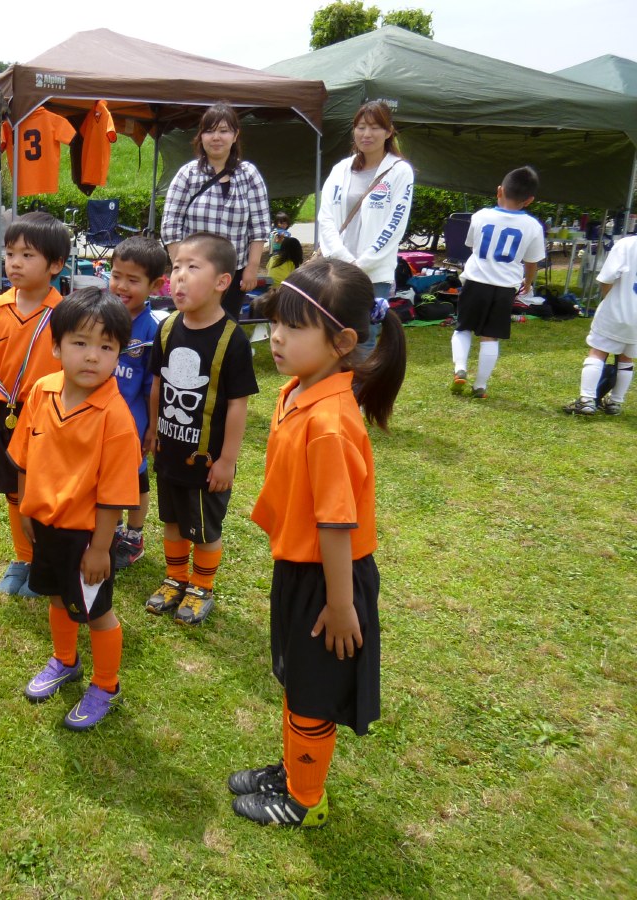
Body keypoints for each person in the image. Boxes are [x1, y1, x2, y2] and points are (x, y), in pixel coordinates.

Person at [231, 258, 406, 828]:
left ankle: (305, 800)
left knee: (313, 693)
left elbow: (336, 525)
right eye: (275, 322)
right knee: (297, 678)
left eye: (295, 326)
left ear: (343, 342)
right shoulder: (297, 391)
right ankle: (292, 770)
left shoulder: (328, 422)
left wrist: (339, 604)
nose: (277, 337)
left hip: (330, 579)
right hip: (301, 566)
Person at [7, 288, 141, 730]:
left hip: (87, 537)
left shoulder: (115, 417)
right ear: (56, 346)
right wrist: (26, 507)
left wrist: (101, 548)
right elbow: (25, 455)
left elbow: (113, 493)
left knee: (96, 613)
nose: (92, 356)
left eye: (107, 347)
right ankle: (65, 660)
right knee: (55, 596)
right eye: (80, 343)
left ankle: (106, 684)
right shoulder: (41, 391)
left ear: (119, 353)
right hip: (45, 525)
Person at [144, 232, 258, 625]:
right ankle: (174, 578)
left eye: (192, 267)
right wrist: (153, 430)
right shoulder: (166, 328)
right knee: (173, 521)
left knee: (205, 529)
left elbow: (239, 404)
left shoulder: (232, 340)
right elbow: (157, 383)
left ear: (222, 281)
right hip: (169, 450)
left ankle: (201, 586)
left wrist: (227, 460)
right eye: (176, 266)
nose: (179, 276)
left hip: (206, 461)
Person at [0, 212, 70, 596]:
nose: (15, 264)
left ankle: (46, 561)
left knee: (45, 491)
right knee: (14, 490)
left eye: (27, 255)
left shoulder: (65, 315)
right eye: (10, 254)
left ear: (55, 265)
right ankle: (23, 558)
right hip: (6, 414)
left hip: (50, 417)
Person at [316, 100, 414, 348]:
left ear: (388, 132)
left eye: (374, 127)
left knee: (364, 338)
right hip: (337, 270)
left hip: (374, 273)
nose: (366, 134)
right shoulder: (341, 169)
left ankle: (360, 377)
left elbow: (395, 225)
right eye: (361, 127)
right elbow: (325, 216)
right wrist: (344, 258)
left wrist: (363, 264)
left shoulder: (400, 171)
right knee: (331, 336)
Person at [160, 103, 271, 322]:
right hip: (195, 273)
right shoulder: (187, 174)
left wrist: (252, 267)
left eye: (223, 131)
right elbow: (170, 226)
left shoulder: (249, 174)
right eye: (209, 131)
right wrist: (181, 268)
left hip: (234, 273)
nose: (216, 137)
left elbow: (259, 227)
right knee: (194, 323)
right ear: (201, 136)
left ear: (235, 135)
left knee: (227, 326)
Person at [449, 166, 545, 400]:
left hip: (476, 280)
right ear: (529, 200)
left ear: (499, 190)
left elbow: (472, 245)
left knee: (463, 328)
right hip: (505, 287)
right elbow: (532, 261)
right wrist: (528, 282)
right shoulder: (533, 226)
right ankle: (480, 386)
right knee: (490, 336)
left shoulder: (480, 216)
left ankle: (460, 368)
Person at [107, 235, 169, 569]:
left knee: (135, 480)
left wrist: (151, 428)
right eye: (116, 275)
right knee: (107, 478)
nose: (121, 285)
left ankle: (134, 535)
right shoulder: (99, 315)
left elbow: (152, 387)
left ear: (155, 285)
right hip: (99, 420)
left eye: (133, 280)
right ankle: (112, 528)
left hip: (133, 422)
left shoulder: (152, 330)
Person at [563, 234, 637, 415]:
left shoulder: (627, 243)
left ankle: (587, 400)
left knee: (598, 351)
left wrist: (608, 300)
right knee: (627, 357)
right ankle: (615, 402)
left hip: (618, 308)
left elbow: (606, 278)